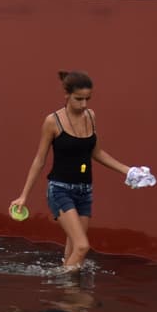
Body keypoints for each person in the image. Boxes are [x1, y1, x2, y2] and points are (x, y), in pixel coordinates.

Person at [11, 71, 142, 272]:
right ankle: (60, 283)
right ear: (67, 95)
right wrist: (23, 196)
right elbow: (39, 160)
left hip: (84, 191)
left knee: (73, 252)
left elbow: (96, 152)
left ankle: (68, 291)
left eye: (87, 99)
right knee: (82, 247)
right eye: (78, 99)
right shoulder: (53, 121)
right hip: (60, 190)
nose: (83, 104)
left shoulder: (90, 116)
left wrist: (128, 170)